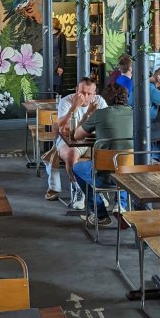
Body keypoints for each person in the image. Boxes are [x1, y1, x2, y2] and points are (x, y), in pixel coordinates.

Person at [72, 82, 133, 226]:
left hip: (104, 176)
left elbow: (76, 135)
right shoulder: (135, 113)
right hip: (131, 175)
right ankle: (121, 205)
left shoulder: (100, 114)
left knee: (77, 168)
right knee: (123, 165)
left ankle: (100, 214)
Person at [45, 77, 107, 202]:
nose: (86, 97)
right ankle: (78, 188)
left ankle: (98, 189)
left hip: (93, 141)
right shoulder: (66, 101)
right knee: (71, 155)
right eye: (82, 92)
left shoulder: (99, 101)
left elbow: (105, 123)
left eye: (89, 94)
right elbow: (61, 127)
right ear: (76, 90)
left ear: (94, 93)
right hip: (67, 142)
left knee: (108, 153)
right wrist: (74, 107)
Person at [52, 17, 67, 97]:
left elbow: (63, 52)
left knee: (57, 84)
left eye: (52, 22)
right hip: (48, 62)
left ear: (55, 24)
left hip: (57, 63)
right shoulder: (46, 35)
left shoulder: (61, 35)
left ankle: (57, 102)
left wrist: (61, 66)